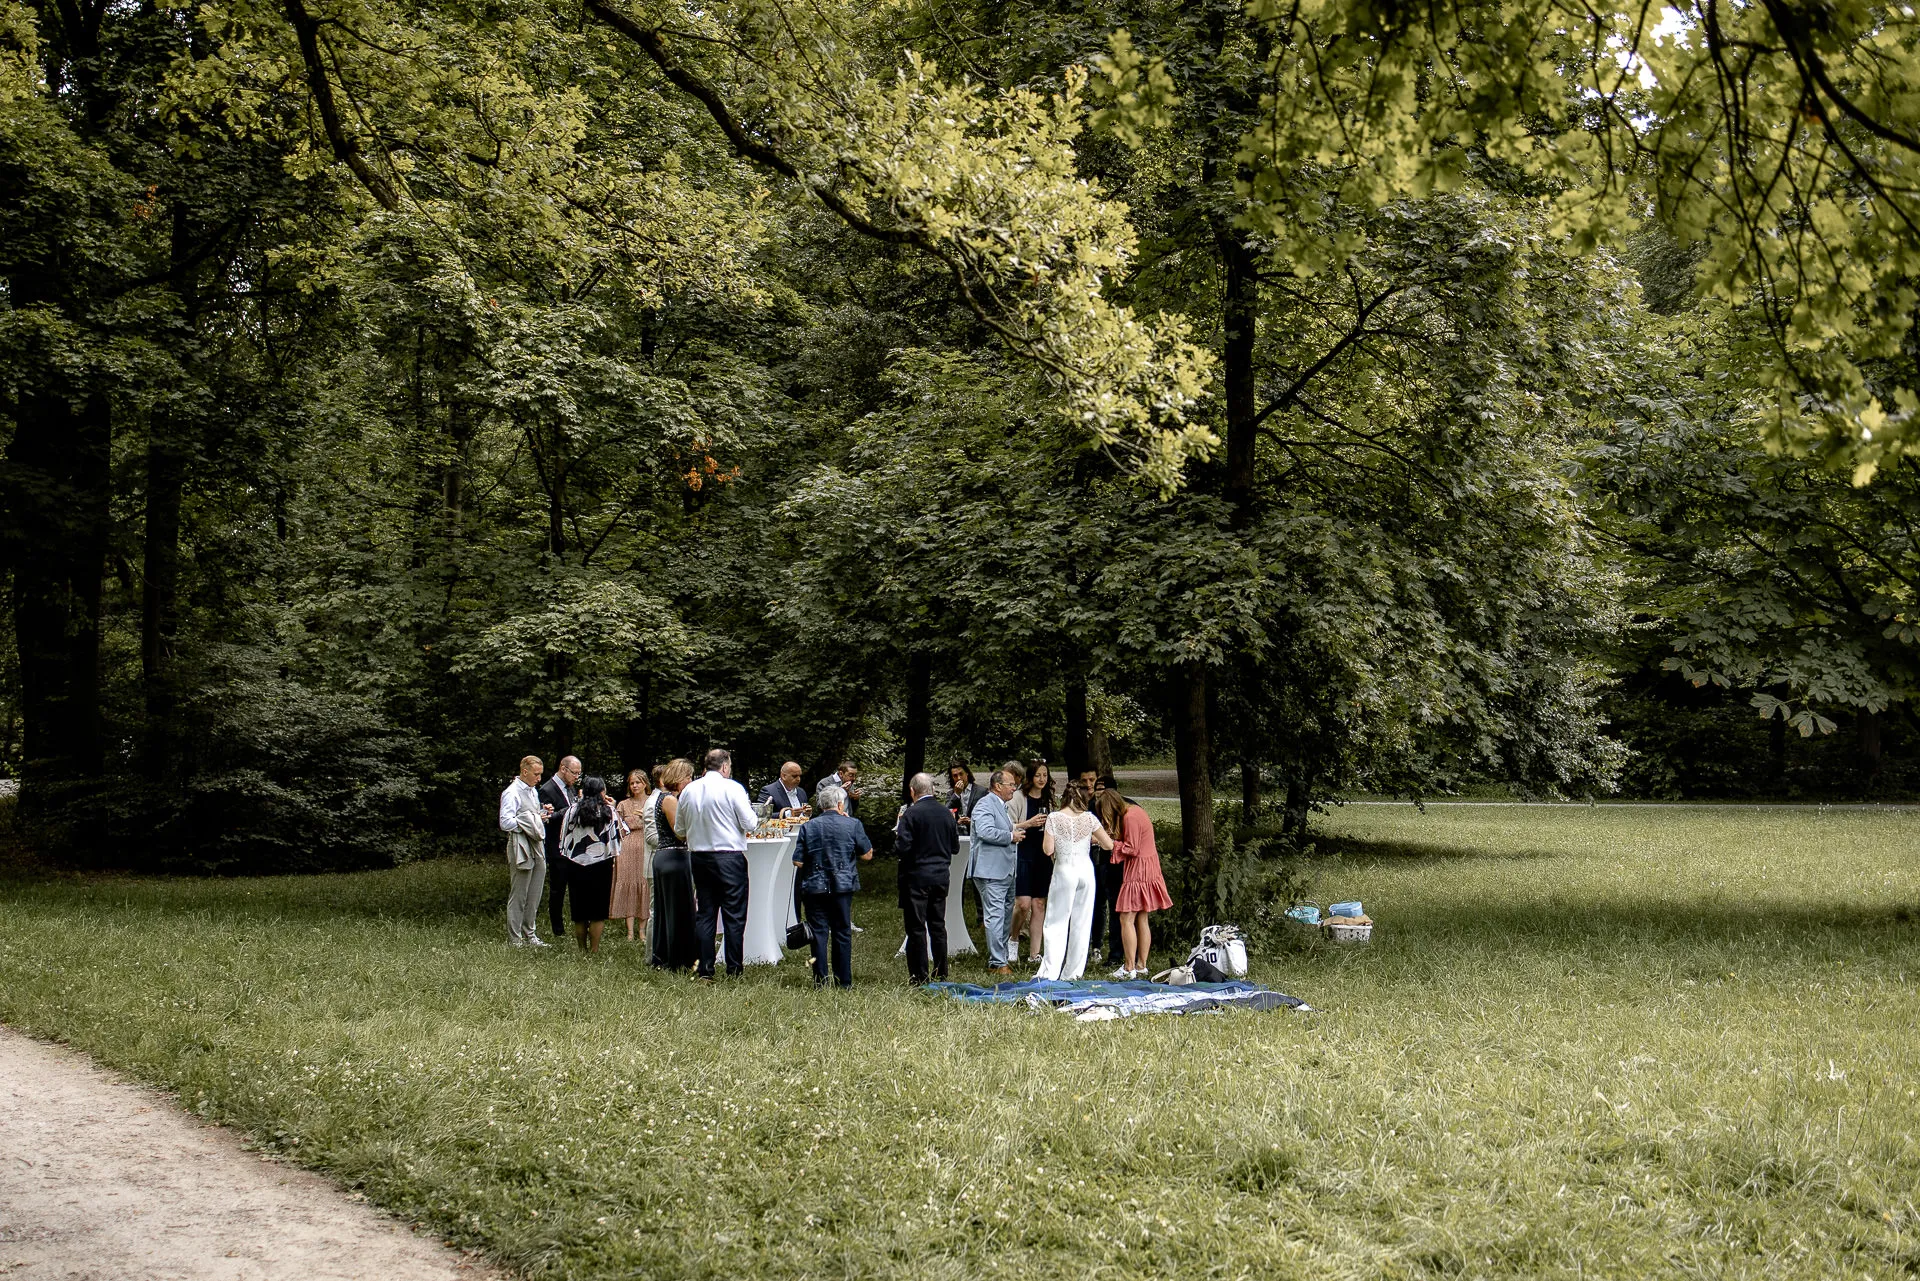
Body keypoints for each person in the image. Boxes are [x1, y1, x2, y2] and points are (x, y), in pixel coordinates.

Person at [674, 748, 759, 979]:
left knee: (706, 913)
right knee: (734, 914)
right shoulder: (732, 788)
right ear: (724, 766)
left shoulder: (689, 790)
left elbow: (679, 830)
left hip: (700, 857)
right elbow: (750, 823)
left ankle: (705, 970)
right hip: (729, 856)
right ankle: (733, 969)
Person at [791, 782, 872, 987]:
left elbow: (798, 861)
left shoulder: (809, 826)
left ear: (821, 805)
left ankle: (820, 980)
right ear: (840, 804)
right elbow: (867, 855)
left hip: (815, 886)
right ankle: (843, 980)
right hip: (843, 885)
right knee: (842, 931)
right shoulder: (853, 824)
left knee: (818, 933)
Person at [1035, 780, 1115, 981]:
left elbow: (1047, 849)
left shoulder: (1054, 818)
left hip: (1064, 870)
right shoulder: (1089, 819)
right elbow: (1108, 845)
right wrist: (1089, 839)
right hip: (1085, 871)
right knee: (1082, 922)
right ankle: (1073, 973)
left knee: (1056, 922)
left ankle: (1050, 971)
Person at [894, 771, 957, 984]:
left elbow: (902, 847)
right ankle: (941, 972)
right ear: (932, 790)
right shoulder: (946, 813)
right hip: (940, 876)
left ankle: (919, 975)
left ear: (912, 791)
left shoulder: (911, 814)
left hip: (916, 877)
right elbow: (955, 847)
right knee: (938, 925)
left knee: (916, 926)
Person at [1105, 791, 1172, 978]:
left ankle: (1129, 968)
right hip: (1148, 866)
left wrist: (1111, 844)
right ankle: (1141, 965)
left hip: (1138, 870)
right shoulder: (1135, 810)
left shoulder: (1130, 817)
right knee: (1142, 918)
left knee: (1126, 919)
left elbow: (1132, 848)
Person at [557, 776, 625, 953]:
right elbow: (622, 831)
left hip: (575, 864)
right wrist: (614, 806)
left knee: (579, 910)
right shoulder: (608, 811)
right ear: (602, 792)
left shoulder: (572, 811)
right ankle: (594, 949)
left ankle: (581, 949)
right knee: (598, 910)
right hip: (601, 863)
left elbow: (563, 836)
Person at [966, 767, 1019, 977]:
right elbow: (985, 831)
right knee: (995, 916)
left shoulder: (1001, 806)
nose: (1014, 788)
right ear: (998, 786)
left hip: (1005, 870)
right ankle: (998, 962)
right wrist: (1010, 836)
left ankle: (999, 959)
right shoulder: (984, 804)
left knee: (1005, 915)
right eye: (1011, 785)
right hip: (990, 871)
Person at [649, 758, 698, 971]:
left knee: (670, 908)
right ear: (679, 779)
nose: (691, 781)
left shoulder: (668, 798)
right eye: (688, 777)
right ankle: (676, 959)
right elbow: (679, 833)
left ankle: (666, 956)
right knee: (677, 909)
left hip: (668, 858)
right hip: (673, 858)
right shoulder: (669, 800)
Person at [497, 754, 551, 947]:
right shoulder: (511, 792)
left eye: (540, 775)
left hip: (536, 843)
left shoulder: (532, 791)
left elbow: (532, 816)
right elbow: (506, 822)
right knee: (519, 892)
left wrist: (541, 816)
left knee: (535, 891)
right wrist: (529, 823)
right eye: (536, 774)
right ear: (525, 771)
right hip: (520, 844)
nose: (539, 779)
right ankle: (515, 938)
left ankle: (530, 934)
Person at [1012, 759, 1055, 966]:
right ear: (1030, 777)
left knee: (1039, 904)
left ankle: (1034, 954)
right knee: (1023, 904)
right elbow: (1007, 825)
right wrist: (1028, 824)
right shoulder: (1019, 797)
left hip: (1043, 856)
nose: (1042, 779)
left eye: (1045, 775)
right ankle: (1013, 939)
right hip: (1023, 854)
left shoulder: (1049, 798)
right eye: (1038, 775)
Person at [539, 754, 583, 939]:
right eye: (574, 773)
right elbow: (545, 820)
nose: (576, 777)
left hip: (573, 846)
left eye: (579, 774)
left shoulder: (572, 789)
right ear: (563, 769)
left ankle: (578, 924)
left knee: (575, 888)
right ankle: (558, 929)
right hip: (556, 847)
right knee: (557, 889)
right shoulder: (546, 789)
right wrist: (571, 809)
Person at [1085, 772, 1126, 966]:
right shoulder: (1092, 807)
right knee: (1098, 903)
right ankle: (1096, 946)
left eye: (1103, 790)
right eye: (1097, 791)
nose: (1099, 794)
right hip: (1099, 861)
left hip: (1119, 863)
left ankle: (1117, 953)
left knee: (1118, 909)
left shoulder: (1125, 809)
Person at [612, 769, 652, 941]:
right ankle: (629, 930)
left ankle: (642, 929)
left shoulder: (652, 802)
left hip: (646, 845)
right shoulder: (622, 804)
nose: (635, 785)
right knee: (629, 883)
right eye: (632, 783)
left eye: (638, 782)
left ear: (645, 783)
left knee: (644, 883)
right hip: (627, 847)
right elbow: (617, 828)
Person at [946, 761, 986, 831]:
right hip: (958, 833)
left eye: (961, 774)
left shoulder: (981, 791)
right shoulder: (951, 794)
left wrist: (972, 822)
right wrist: (956, 794)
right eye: (955, 776)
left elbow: (986, 815)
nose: (959, 778)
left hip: (976, 831)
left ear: (967, 773)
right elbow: (947, 813)